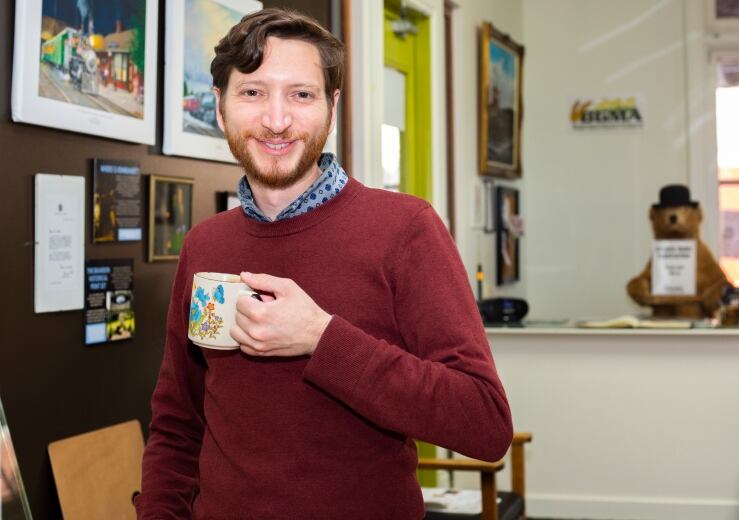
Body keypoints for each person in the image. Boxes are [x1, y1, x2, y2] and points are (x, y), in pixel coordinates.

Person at [136, 8, 513, 520]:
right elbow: (178, 423)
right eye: (252, 93)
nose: (276, 119)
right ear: (221, 110)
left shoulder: (405, 228)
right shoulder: (204, 244)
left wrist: (322, 338)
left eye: (301, 94)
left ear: (331, 109)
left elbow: (484, 423)